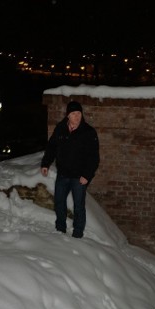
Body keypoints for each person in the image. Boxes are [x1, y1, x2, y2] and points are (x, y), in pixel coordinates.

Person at [40, 101, 100, 238]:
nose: (77, 116)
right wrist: (45, 164)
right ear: (68, 115)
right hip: (63, 174)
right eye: (73, 114)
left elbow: (94, 157)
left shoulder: (89, 132)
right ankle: (60, 230)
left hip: (79, 177)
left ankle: (78, 233)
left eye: (79, 113)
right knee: (59, 202)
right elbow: (51, 147)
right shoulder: (60, 129)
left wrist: (87, 175)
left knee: (78, 206)